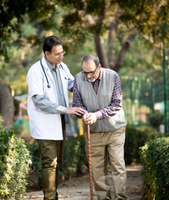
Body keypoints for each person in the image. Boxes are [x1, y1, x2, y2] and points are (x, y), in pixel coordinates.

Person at [26, 36, 85, 200]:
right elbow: (38, 100)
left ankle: (53, 194)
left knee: (57, 162)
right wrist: (65, 109)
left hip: (60, 122)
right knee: (49, 162)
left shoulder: (62, 66)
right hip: (44, 122)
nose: (61, 56)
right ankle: (50, 198)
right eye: (57, 53)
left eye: (62, 52)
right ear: (47, 54)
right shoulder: (35, 71)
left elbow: (72, 84)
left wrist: (88, 80)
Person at [72, 54, 128, 200]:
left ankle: (121, 197)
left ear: (99, 67)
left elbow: (116, 104)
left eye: (92, 72)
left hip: (115, 129)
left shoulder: (113, 76)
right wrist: (84, 114)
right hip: (93, 131)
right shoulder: (78, 79)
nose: (88, 76)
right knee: (97, 169)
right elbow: (77, 104)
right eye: (85, 72)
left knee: (117, 165)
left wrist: (96, 115)